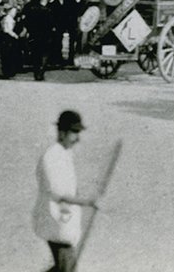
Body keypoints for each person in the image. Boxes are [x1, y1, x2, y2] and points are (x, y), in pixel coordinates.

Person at [34, 110, 99, 272]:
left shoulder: (65, 153)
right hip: (54, 221)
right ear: (62, 133)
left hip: (64, 221)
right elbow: (58, 194)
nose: (77, 138)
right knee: (67, 267)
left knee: (64, 267)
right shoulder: (51, 156)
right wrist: (88, 202)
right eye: (74, 132)